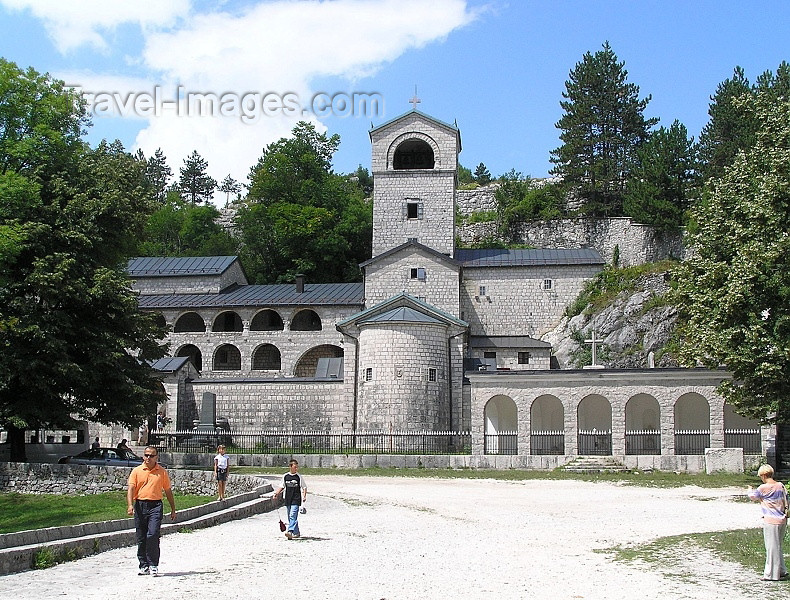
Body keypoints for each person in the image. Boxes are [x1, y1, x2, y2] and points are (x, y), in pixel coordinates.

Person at [127, 446, 176, 577]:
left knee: (153, 534)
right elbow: (131, 488)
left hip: (155, 506)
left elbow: (168, 490)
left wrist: (173, 508)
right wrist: (130, 505)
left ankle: (153, 564)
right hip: (140, 505)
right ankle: (143, 565)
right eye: (146, 455)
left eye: (151, 456)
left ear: (156, 457)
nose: (148, 458)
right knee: (141, 537)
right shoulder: (137, 471)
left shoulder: (162, 472)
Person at [747, 464, 789, 581]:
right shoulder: (780, 486)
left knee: (771, 547)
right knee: (778, 546)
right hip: (782, 519)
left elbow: (752, 496)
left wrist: (749, 489)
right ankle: (782, 570)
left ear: (764, 475)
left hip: (770, 520)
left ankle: (771, 574)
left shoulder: (762, 488)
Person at [272, 459, 307, 539]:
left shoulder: (298, 477)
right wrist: (276, 493)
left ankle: (290, 531)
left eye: (297, 467)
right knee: (291, 517)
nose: (296, 469)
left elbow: (304, 487)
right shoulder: (285, 476)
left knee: (292, 515)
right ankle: (296, 532)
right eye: (295, 467)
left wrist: (304, 496)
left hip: (296, 499)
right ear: (290, 467)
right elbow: (281, 486)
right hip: (288, 499)